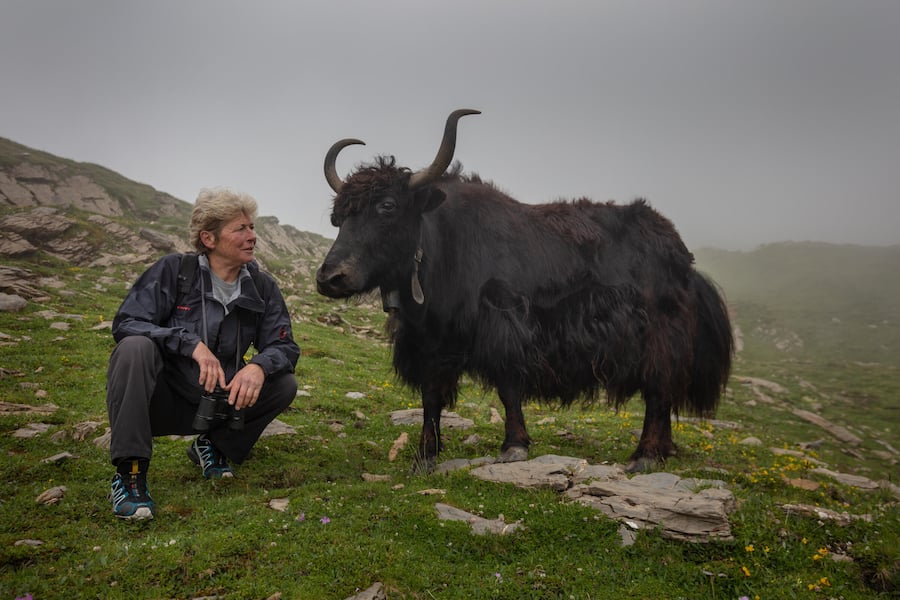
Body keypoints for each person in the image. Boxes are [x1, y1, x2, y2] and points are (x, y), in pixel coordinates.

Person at [105, 187, 300, 520]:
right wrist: (190, 344)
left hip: (221, 402)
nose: (253, 236)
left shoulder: (262, 286)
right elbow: (128, 322)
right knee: (134, 347)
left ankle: (214, 445)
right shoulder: (175, 271)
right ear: (209, 238)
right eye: (241, 228)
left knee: (284, 384)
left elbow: (284, 345)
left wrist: (259, 367)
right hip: (162, 399)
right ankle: (130, 473)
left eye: (252, 227)